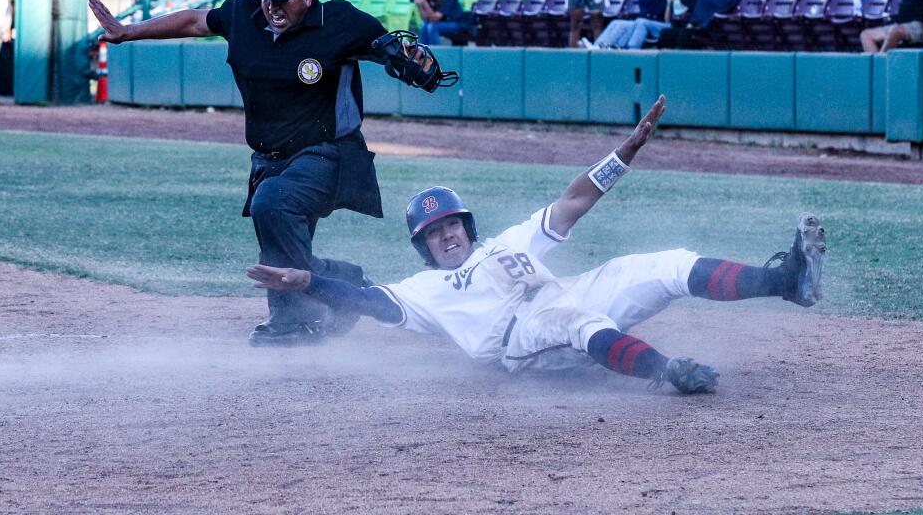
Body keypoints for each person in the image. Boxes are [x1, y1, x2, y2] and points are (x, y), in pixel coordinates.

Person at [247, 96, 828, 395]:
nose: (446, 234)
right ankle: (665, 371)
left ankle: (788, 282)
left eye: (451, 225)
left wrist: (626, 152)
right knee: (575, 320)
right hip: (518, 341)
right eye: (433, 233)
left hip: (562, 293)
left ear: (466, 227)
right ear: (423, 248)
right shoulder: (423, 290)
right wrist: (310, 282)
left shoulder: (506, 242)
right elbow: (369, 301)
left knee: (662, 263)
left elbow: (576, 199)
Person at [89, 0, 452, 347]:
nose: (272, 6)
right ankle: (340, 282)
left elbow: (385, 49)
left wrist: (408, 63)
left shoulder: (342, 21)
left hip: (329, 154)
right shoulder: (243, 13)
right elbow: (195, 20)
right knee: (279, 237)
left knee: (272, 205)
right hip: (268, 159)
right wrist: (128, 31)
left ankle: (292, 321)